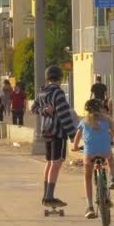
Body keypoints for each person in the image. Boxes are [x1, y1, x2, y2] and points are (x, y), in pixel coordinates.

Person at [31, 65, 77, 207]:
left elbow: (33, 108)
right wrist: (72, 134)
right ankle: (49, 197)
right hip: (58, 131)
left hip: (46, 130)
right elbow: (64, 115)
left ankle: (46, 195)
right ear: (60, 78)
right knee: (56, 163)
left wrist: (44, 111)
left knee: (50, 162)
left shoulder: (42, 92)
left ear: (47, 78)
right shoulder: (58, 93)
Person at [72, 99, 114, 219]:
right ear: (101, 109)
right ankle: (112, 177)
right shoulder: (107, 121)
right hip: (104, 153)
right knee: (110, 156)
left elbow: (76, 141)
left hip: (90, 155)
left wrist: (75, 148)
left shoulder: (83, 122)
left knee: (87, 177)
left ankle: (89, 207)